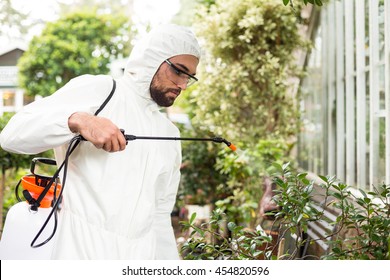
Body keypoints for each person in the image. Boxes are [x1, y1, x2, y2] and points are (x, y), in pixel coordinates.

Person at [0, 24, 201, 259]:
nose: (183, 85)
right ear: (152, 58)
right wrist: (77, 120)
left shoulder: (170, 133)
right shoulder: (102, 90)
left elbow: (160, 215)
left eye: (189, 76)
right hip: (77, 253)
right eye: (178, 71)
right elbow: (11, 135)